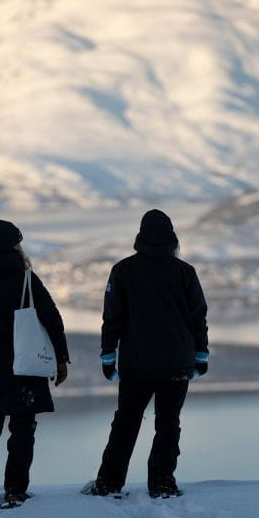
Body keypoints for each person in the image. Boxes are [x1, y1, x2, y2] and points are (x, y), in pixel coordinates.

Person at [83, 209, 208, 499]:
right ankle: (162, 484)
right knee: (168, 423)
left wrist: (107, 355)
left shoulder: (123, 270)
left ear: (140, 235)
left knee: (126, 422)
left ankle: (109, 483)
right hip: (177, 362)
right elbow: (197, 317)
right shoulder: (184, 272)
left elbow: (111, 317)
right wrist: (201, 355)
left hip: (136, 364)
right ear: (172, 236)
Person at [0, 220, 70, 507]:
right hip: (25, 368)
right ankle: (15, 489)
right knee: (22, 431)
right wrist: (60, 359)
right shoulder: (26, 279)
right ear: (15, 246)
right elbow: (52, 318)